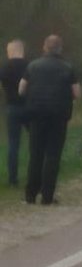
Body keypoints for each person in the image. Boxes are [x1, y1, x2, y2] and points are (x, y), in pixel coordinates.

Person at [19, 35, 81, 205]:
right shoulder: (68, 68)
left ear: (44, 48)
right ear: (60, 49)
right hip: (59, 116)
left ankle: (30, 195)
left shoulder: (32, 66)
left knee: (36, 154)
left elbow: (21, 89)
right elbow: (77, 93)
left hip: (36, 114)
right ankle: (47, 197)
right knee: (53, 155)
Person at [0, 40, 28, 187]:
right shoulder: (30, 65)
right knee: (36, 142)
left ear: (10, 51)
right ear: (22, 50)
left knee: (13, 144)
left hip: (12, 108)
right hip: (31, 107)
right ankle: (37, 174)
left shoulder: (4, 68)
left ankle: (12, 179)